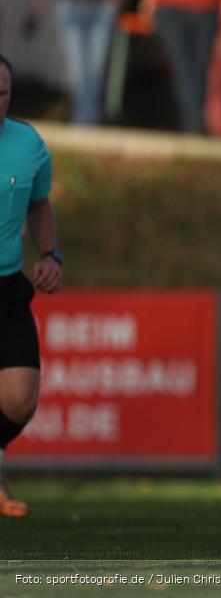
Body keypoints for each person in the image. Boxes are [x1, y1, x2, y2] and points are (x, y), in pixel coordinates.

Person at [0, 54, 63, 519]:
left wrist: (50, 255)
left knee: (21, 398)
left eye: (2, 93)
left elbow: (40, 205)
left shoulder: (27, 144)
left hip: (7, 284)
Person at [144, 0, 221, 133]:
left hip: (207, 9)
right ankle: (193, 121)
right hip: (171, 8)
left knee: (200, 71)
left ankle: (194, 122)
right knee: (184, 68)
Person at [53, 0, 121, 125]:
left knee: (97, 69)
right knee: (77, 69)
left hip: (102, 7)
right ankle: (84, 119)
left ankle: (89, 119)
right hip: (71, 6)